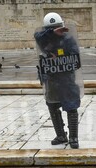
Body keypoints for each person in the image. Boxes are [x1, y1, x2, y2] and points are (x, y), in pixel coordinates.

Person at [35, 13, 82, 149]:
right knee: (53, 107)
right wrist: (52, 32)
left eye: (57, 27)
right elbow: (37, 36)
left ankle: (73, 137)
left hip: (66, 79)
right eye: (51, 28)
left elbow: (76, 60)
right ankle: (61, 135)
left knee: (71, 107)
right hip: (51, 80)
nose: (56, 30)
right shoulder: (44, 39)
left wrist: (62, 60)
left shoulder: (68, 39)